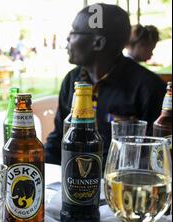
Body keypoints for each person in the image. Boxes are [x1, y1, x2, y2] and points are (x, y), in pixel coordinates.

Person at [45, 4, 166, 165]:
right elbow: (58, 138)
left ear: (98, 43)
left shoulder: (149, 88)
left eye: (74, 32)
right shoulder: (72, 80)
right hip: (74, 180)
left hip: (120, 183)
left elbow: (155, 155)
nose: (68, 38)